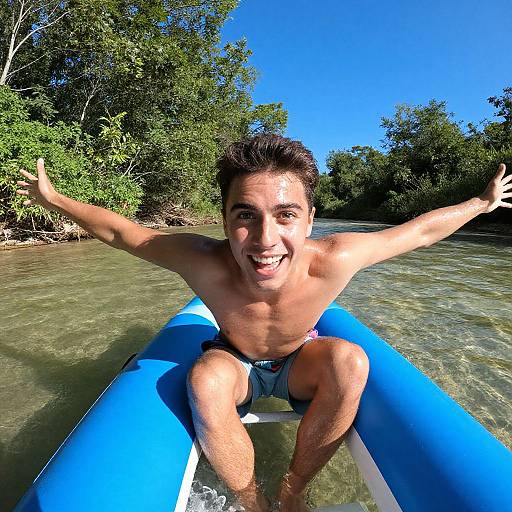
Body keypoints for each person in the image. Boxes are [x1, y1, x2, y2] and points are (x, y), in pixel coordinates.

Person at [16, 134, 511, 511]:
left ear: (311, 219)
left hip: (300, 360)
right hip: (235, 361)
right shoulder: (203, 261)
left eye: (286, 215)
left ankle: (293, 488)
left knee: (350, 361)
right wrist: (54, 199)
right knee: (205, 378)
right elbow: (124, 232)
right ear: (225, 218)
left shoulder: (335, 258)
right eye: (245, 215)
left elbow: (419, 232)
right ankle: (252, 499)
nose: (264, 239)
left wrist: (481, 204)